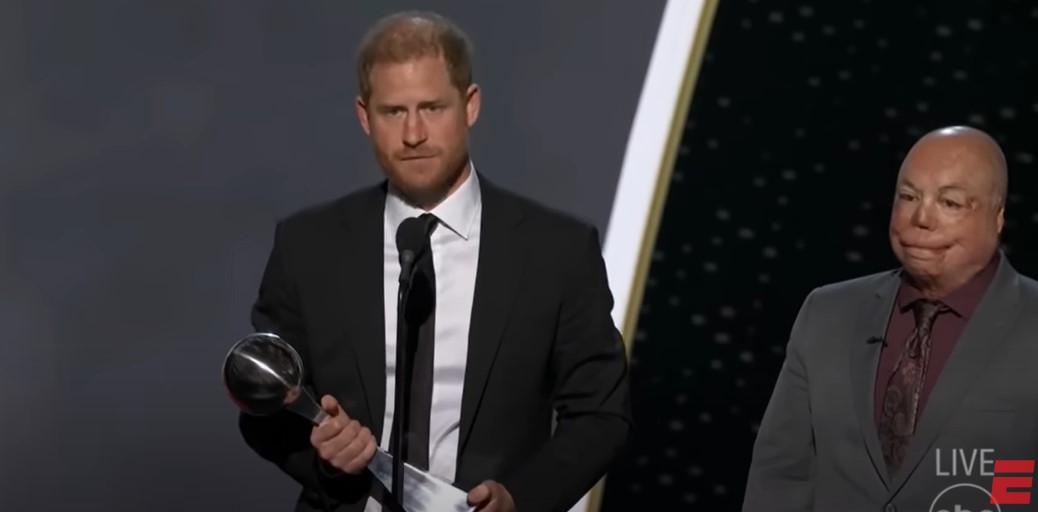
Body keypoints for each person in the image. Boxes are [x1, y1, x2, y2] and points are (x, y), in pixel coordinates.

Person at [238, 10, 631, 512]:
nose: (414, 133)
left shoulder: (556, 251)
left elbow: (602, 414)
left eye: (432, 107)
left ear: (470, 106)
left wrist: (522, 499)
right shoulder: (309, 246)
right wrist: (327, 461)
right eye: (394, 112)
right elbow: (266, 408)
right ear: (364, 117)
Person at [742, 126, 1038, 512]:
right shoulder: (827, 313)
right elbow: (781, 474)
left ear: (998, 216)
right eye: (908, 197)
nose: (922, 218)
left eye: (949, 203)